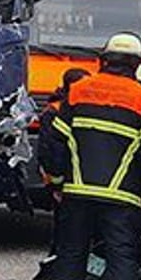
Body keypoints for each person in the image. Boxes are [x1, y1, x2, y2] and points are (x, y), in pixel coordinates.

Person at [40, 33, 141, 280]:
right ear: (138, 65)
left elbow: (53, 144)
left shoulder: (78, 92)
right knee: (121, 258)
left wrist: (56, 182)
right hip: (122, 198)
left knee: (71, 254)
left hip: (76, 194)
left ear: (103, 60)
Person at [38, 67, 91, 255]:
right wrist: (55, 185)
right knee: (65, 232)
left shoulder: (85, 109)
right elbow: (48, 150)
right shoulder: (55, 112)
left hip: (84, 180)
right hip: (63, 181)